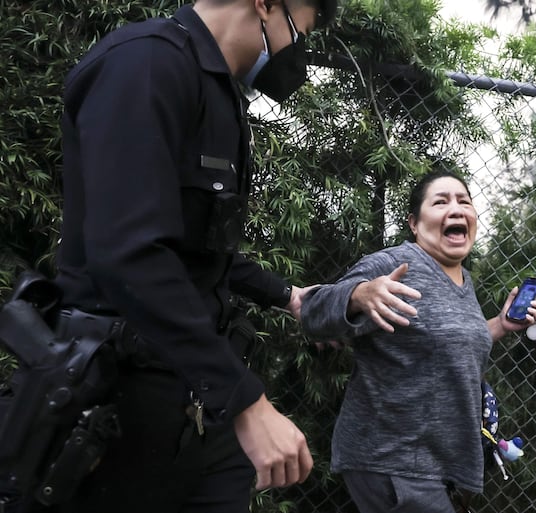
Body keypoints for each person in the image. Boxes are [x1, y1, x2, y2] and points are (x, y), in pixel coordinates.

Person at [50, 0, 338, 512]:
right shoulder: (145, 65)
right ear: (265, 5)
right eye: (300, 30)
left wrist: (289, 296)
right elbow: (129, 254)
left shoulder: (220, 94)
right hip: (119, 404)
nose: (298, 52)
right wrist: (245, 400)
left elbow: (200, 250)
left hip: (196, 401)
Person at [300, 169, 536, 513]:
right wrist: (358, 294)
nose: (456, 209)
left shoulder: (462, 280)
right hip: (394, 459)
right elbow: (312, 311)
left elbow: (442, 346)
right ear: (414, 223)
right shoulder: (394, 263)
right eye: (441, 202)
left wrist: (500, 325)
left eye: (464, 201)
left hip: (434, 463)